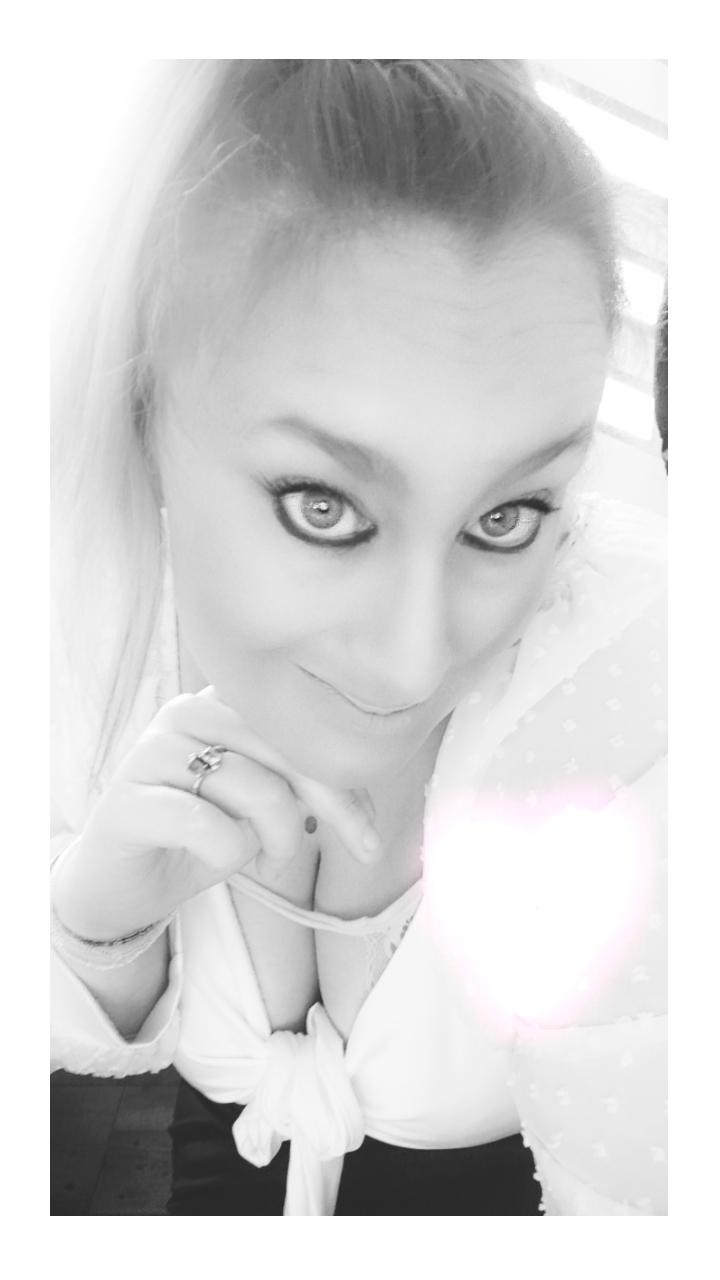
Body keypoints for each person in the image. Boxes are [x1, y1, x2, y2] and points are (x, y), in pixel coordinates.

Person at [51, 60, 667, 1216]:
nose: (415, 659)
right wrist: (96, 940)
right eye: (322, 505)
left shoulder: (643, 700)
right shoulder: (63, 647)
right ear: (144, 416)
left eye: (506, 514)